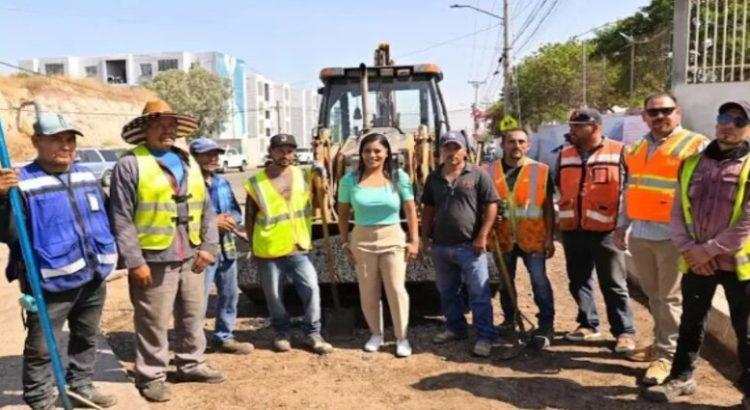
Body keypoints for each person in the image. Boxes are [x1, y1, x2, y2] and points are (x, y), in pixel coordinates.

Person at [0, 111, 118, 409]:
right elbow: (8, 234)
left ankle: (81, 386)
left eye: (69, 139)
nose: (66, 146)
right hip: (48, 282)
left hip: (92, 276)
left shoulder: (85, 176)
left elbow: (103, 218)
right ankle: (41, 399)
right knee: (41, 347)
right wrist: (1, 199)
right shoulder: (20, 183)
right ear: (37, 141)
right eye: (57, 140)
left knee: (86, 337)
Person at [110, 100, 223, 403]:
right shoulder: (129, 164)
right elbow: (120, 217)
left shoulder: (187, 162)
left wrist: (208, 247)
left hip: (192, 256)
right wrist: (135, 260)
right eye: (159, 124)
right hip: (153, 260)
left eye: (172, 125)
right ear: (145, 128)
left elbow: (206, 208)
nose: (167, 130)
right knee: (153, 321)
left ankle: (191, 363)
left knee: (192, 315)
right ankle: (151, 375)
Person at [645, 101, 750, 406]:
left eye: (738, 120)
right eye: (723, 118)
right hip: (696, 262)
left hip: (737, 265)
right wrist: (690, 251)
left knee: (745, 329)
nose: (728, 124)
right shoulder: (691, 163)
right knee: (690, 322)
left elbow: (747, 220)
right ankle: (680, 378)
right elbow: (677, 211)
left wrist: (707, 251)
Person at [614, 93, 708, 385]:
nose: (659, 116)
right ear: (644, 116)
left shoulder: (696, 145)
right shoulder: (636, 148)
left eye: (666, 111)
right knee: (654, 297)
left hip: (674, 238)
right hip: (642, 234)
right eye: (653, 112)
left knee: (669, 299)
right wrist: (622, 226)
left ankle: (668, 358)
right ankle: (660, 345)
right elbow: (631, 190)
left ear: (677, 112)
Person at [244, 133, 333, 355]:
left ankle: (312, 333)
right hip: (269, 247)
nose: (285, 155)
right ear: (271, 152)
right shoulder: (256, 183)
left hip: (298, 246)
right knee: (273, 295)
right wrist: (252, 247)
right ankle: (282, 332)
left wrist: (323, 180)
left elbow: (322, 199)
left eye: (290, 151)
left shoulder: (303, 176)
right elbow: (250, 217)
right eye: (280, 150)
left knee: (311, 287)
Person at [556, 108, 636, 353]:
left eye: (578, 126)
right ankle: (588, 324)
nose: (572, 130)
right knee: (578, 280)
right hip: (573, 229)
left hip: (606, 231)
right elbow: (558, 187)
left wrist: (624, 225)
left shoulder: (620, 152)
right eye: (571, 126)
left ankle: (624, 332)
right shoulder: (565, 154)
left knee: (613, 282)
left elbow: (629, 191)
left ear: (595, 127)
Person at [337, 132, 419, 358]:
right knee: (368, 291)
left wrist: (414, 239)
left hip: (392, 238)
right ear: (360, 154)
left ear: (386, 154)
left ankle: (402, 338)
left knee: (396, 289)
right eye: (367, 151)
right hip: (361, 240)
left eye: (377, 151)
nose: (372, 155)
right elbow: (343, 213)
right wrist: (345, 242)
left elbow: (411, 209)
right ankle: (376, 333)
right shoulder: (349, 181)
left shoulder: (399, 177)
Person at [421, 130, 499, 357]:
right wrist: (425, 238)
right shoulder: (433, 178)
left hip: (470, 247)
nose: (452, 152)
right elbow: (428, 209)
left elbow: (491, 205)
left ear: (465, 150)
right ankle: (456, 328)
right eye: (447, 147)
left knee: (479, 293)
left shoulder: (477, 174)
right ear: (441, 151)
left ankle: (485, 336)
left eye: (456, 147)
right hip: (441, 247)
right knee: (447, 292)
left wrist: (482, 235)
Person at [489, 128, 556, 349]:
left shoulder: (541, 171)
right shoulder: (489, 171)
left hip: (533, 237)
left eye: (521, 142)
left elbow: (547, 207)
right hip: (502, 238)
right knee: (506, 284)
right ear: (503, 144)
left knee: (539, 282)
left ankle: (546, 326)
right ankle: (510, 321)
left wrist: (549, 237)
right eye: (511, 141)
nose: (516, 146)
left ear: (527, 145)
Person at [189, 137, 254, 355]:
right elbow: (182, 218)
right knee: (199, 300)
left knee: (229, 295)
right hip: (202, 252)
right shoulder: (188, 184)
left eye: (216, 154)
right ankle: (193, 343)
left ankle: (224, 336)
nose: (213, 159)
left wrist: (232, 220)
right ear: (195, 157)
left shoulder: (222, 183)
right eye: (207, 155)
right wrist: (212, 222)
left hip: (227, 249)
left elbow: (236, 211)